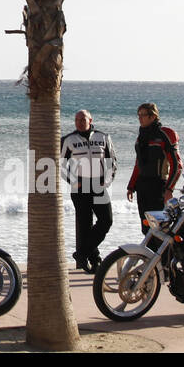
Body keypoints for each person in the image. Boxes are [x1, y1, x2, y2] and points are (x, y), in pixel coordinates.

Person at [60, 108, 117, 272]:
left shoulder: (103, 137)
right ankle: (94, 260)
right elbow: (61, 164)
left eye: (83, 119)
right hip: (80, 186)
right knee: (85, 225)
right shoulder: (68, 140)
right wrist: (73, 181)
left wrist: (106, 182)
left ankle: (82, 253)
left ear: (90, 120)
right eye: (77, 120)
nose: (79, 122)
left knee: (106, 220)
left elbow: (111, 161)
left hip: (99, 185)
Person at [126, 102, 182, 235]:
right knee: (146, 228)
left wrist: (169, 189)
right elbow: (138, 164)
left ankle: (166, 255)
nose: (140, 118)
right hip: (142, 186)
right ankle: (149, 256)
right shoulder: (141, 137)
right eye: (138, 115)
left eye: (143, 115)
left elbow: (177, 165)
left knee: (160, 229)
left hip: (158, 186)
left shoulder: (166, 134)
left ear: (153, 116)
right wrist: (131, 186)